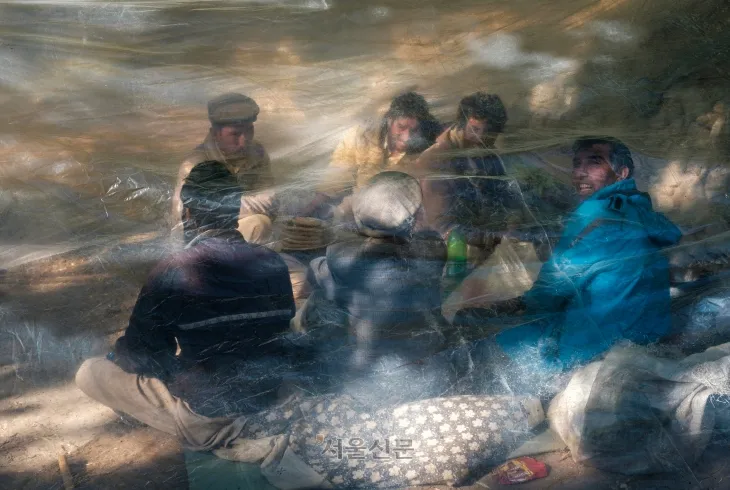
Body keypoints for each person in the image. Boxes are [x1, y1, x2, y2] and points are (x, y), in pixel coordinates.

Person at [77, 161, 297, 450]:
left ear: (188, 213)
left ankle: (204, 431)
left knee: (90, 372)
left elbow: (144, 356)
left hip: (212, 418)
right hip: (270, 400)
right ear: (235, 210)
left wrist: (119, 356)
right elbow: (280, 332)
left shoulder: (172, 271)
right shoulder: (273, 262)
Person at [453, 136, 682, 393]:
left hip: (600, 340)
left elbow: (554, 286)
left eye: (593, 163)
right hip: (647, 333)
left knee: (480, 343)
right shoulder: (640, 210)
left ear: (621, 173)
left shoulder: (596, 213)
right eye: (576, 164)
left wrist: (516, 305)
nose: (580, 172)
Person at [296, 171, 452, 406]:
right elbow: (424, 239)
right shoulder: (432, 250)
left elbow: (319, 272)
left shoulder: (340, 253)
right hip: (426, 382)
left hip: (358, 386)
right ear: (412, 216)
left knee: (318, 298)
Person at [417, 93, 522, 264]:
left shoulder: (490, 156)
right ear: (462, 124)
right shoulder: (435, 159)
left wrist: (513, 220)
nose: (481, 137)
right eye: (475, 129)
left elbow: (507, 196)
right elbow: (442, 225)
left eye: (489, 132)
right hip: (448, 254)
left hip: (490, 246)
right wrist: (493, 237)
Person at [306, 92, 441, 220]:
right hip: (355, 206)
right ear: (389, 120)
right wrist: (311, 208)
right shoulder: (362, 135)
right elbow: (336, 175)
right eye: (401, 127)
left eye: (414, 130)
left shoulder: (427, 151)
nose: (407, 137)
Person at [171, 93, 276, 244]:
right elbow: (184, 223)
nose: (244, 141)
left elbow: (271, 201)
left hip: (233, 230)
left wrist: (224, 204)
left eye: (249, 130)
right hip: (204, 241)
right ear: (215, 134)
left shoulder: (257, 152)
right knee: (259, 225)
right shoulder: (194, 165)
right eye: (235, 134)